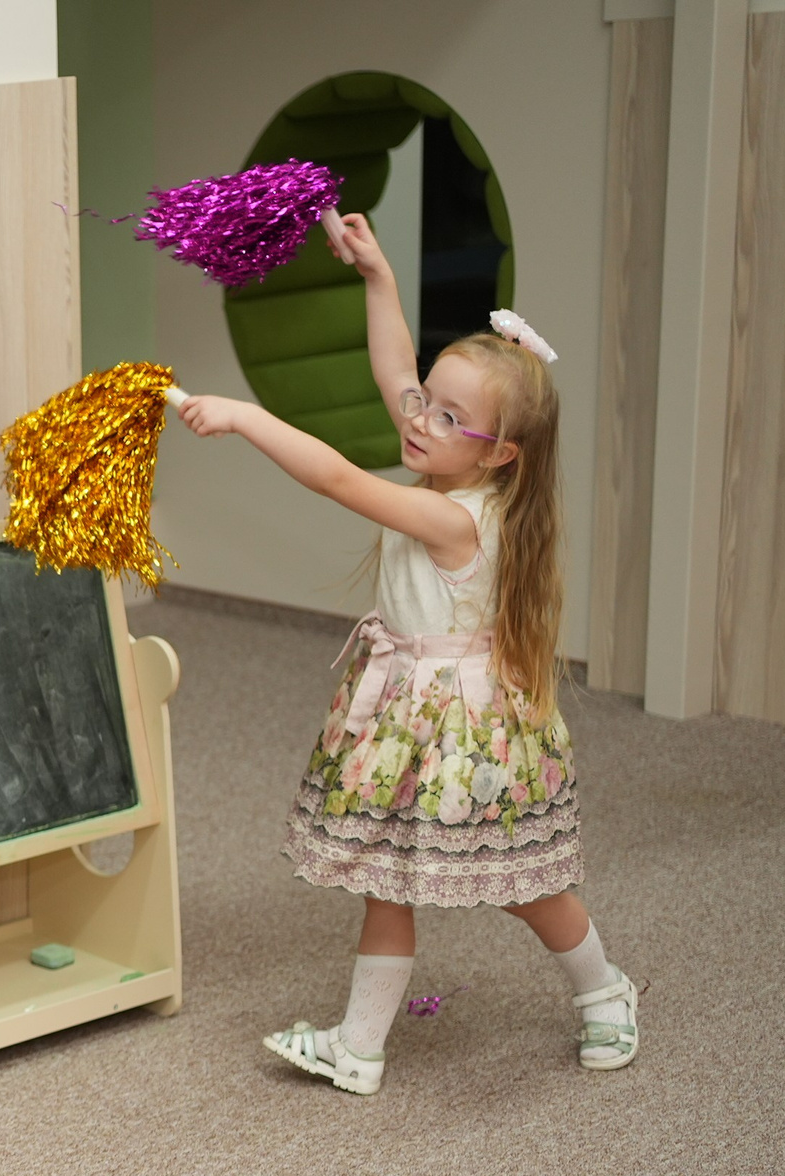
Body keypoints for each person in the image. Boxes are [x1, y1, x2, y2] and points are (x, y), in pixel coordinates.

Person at [172, 213, 637, 1095]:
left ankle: (605, 990)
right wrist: (378, 276)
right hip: (402, 716)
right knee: (388, 879)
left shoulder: (456, 516)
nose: (418, 416)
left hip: (464, 728)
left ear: (498, 455)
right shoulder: (444, 458)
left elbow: (340, 479)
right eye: (427, 398)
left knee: (519, 884)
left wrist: (243, 417)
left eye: (447, 415)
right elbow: (394, 370)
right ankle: (358, 1046)